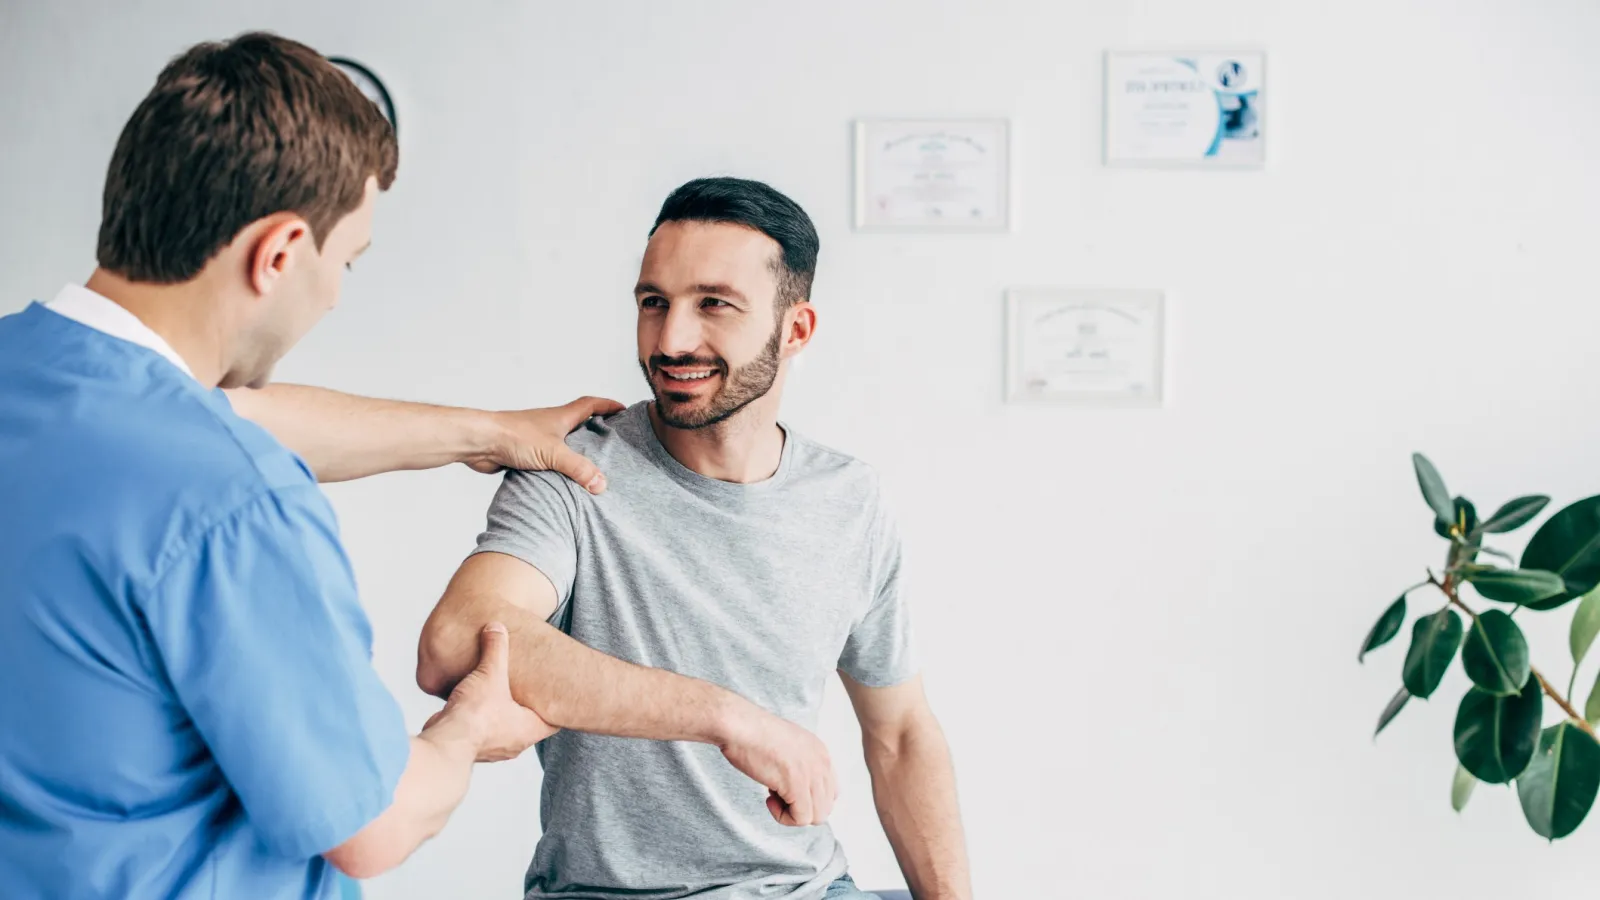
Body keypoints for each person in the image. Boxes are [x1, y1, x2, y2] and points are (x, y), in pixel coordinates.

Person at [0, 32, 619, 900]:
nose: (334, 294)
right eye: (347, 263)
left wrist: (488, 430)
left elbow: (220, 423)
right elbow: (374, 823)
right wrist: (470, 724)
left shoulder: (39, 381)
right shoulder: (231, 494)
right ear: (281, 252)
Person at [418, 178, 973, 900]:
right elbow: (457, 640)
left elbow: (900, 735)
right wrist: (728, 719)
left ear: (795, 330)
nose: (672, 339)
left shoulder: (849, 500)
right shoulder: (573, 469)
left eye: (714, 304)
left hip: (809, 888)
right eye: (654, 303)